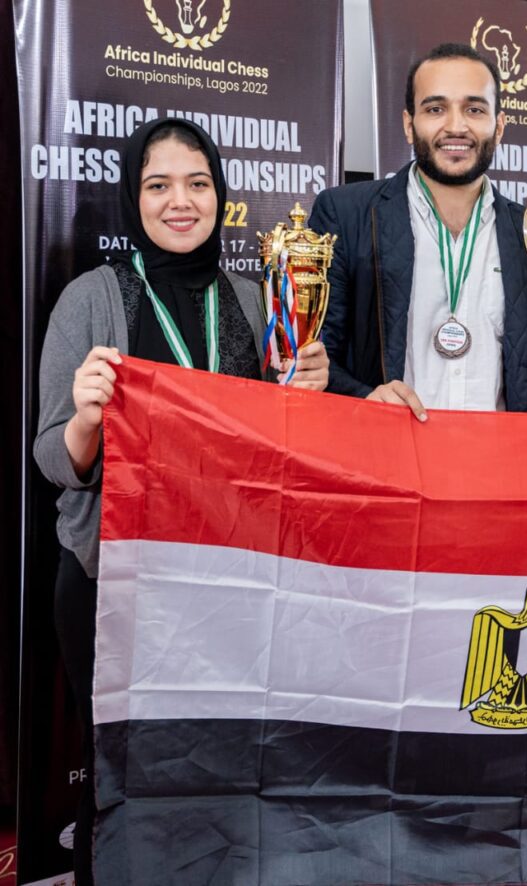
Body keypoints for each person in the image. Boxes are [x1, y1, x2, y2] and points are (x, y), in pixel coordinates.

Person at [33, 117, 328, 885]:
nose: (179, 202)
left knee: (223, 766)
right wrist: (89, 420)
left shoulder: (257, 301)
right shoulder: (89, 301)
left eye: (197, 184)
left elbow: (285, 450)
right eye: (158, 185)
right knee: (122, 770)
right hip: (112, 585)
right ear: (134, 198)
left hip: (226, 580)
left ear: (220, 197)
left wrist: (312, 395)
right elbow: (51, 459)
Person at [309, 43, 527, 428]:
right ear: (410, 124)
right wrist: (366, 398)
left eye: (474, 109)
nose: (456, 126)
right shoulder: (346, 214)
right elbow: (316, 356)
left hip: (500, 468)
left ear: (499, 125)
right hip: (388, 461)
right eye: (435, 109)